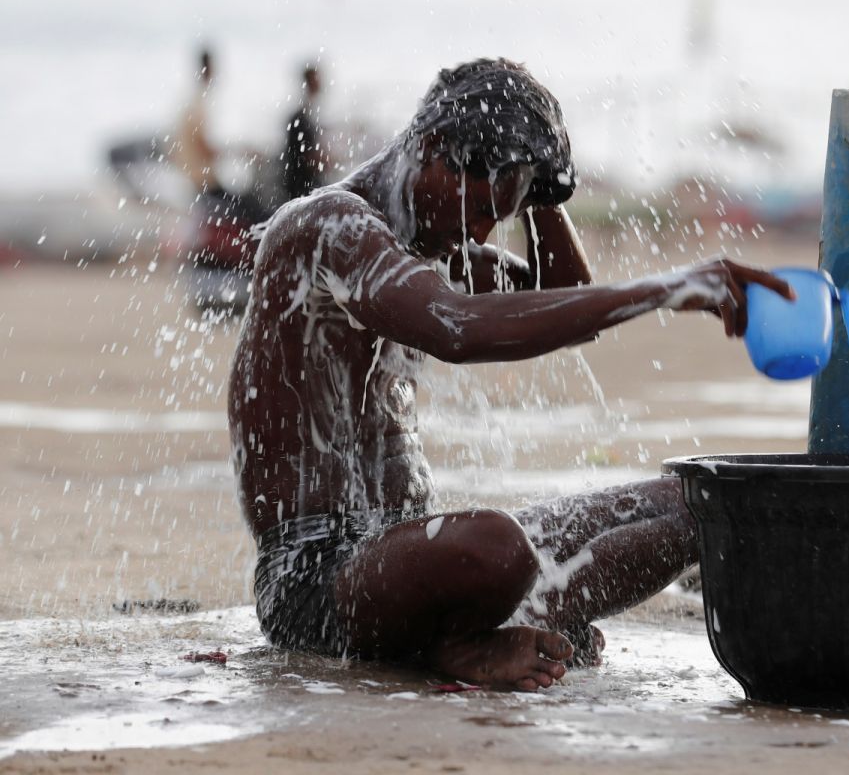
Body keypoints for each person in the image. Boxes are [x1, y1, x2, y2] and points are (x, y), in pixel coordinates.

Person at [228, 58, 794, 691]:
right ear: (432, 148)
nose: (479, 232)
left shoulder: (430, 243)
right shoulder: (327, 227)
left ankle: (497, 621)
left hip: (415, 564)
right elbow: (458, 328)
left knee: (698, 503)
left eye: (502, 214)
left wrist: (545, 189)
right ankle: (456, 645)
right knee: (496, 544)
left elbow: (563, 297)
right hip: (320, 585)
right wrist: (666, 286)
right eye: (480, 206)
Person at [172, 48, 223, 195]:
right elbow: (203, 147)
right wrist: (236, 153)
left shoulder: (190, 100)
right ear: (210, 69)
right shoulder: (199, 104)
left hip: (191, 180)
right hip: (201, 182)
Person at [281, 63, 331, 201]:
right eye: (317, 79)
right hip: (302, 187)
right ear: (310, 83)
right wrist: (330, 160)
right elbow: (307, 158)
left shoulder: (308, 116)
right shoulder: (301, 118)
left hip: (303, 185)